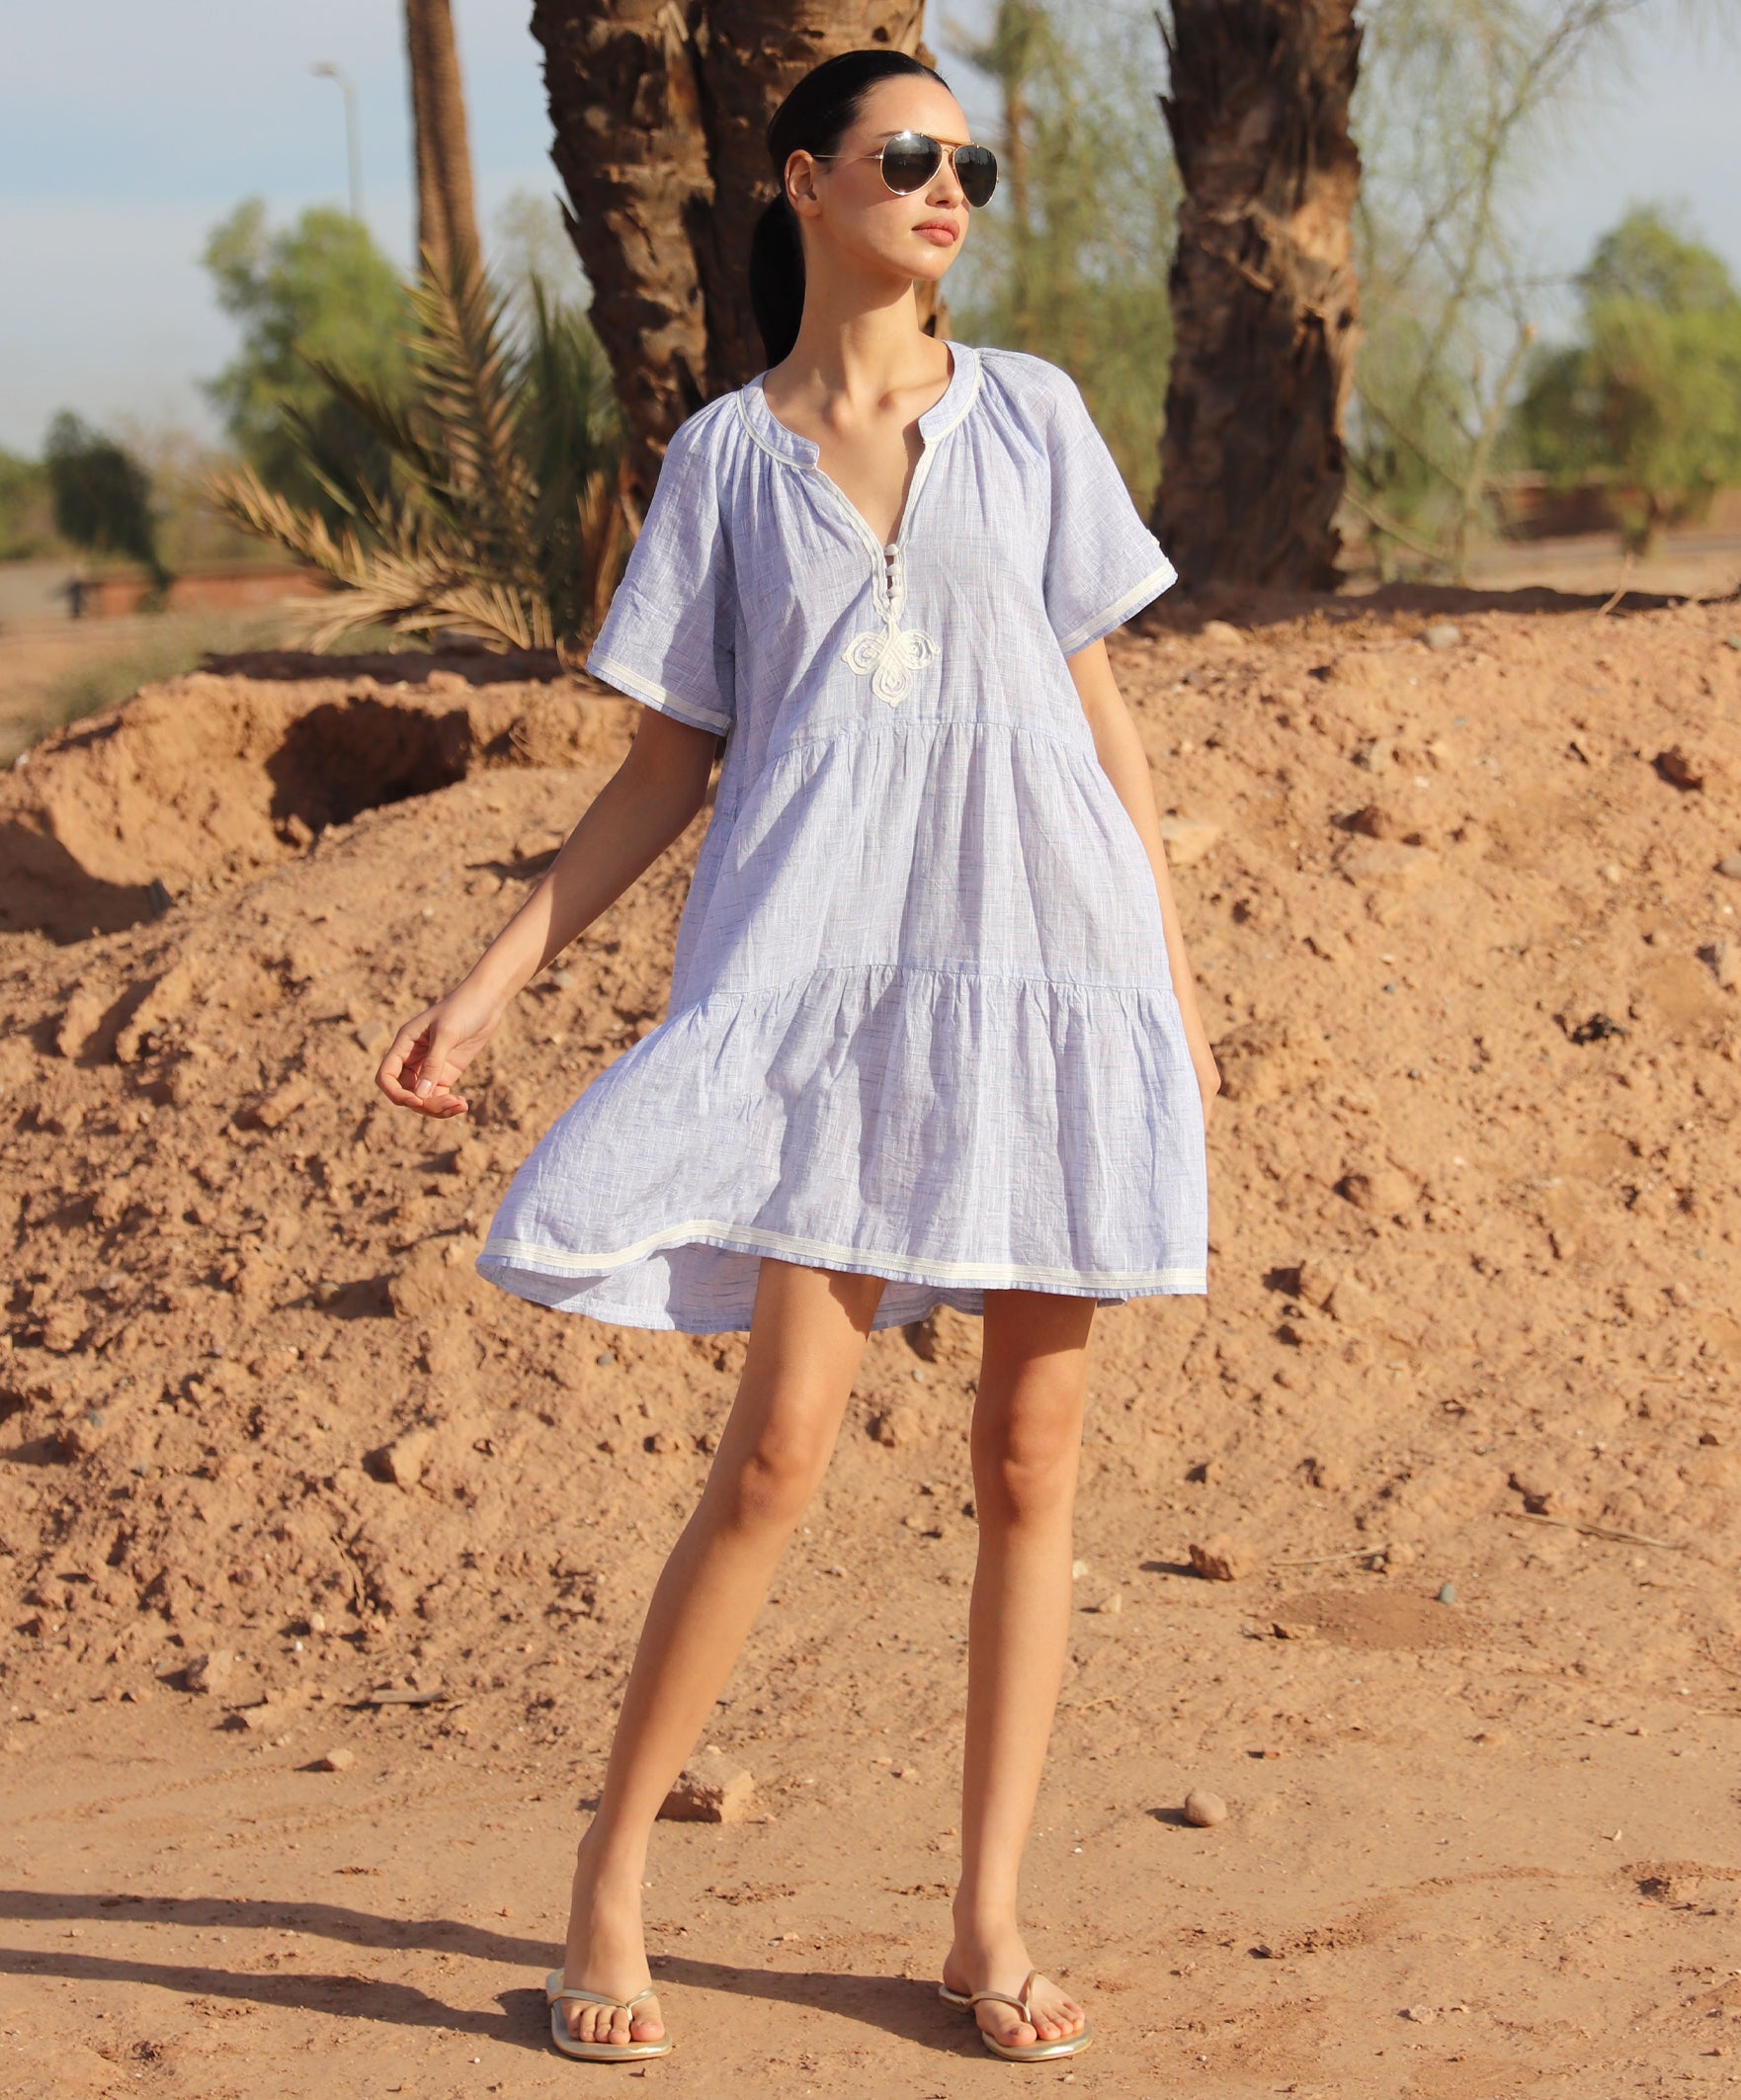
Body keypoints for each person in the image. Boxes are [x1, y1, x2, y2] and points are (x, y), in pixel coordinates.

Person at [376, 45, 1217, 2068]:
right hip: (822, 993)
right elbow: (667, 760)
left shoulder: (1030, 417)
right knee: (774, 1454)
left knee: (1031, 1458)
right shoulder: (725, 465)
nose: (947, 190)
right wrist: (494, 980)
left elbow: (1100, 724)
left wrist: (1165, 999)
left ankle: (984, 1917)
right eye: (906, 158)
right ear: (801, 181)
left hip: (1045, 974)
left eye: (968, 163)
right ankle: (607, 1877)